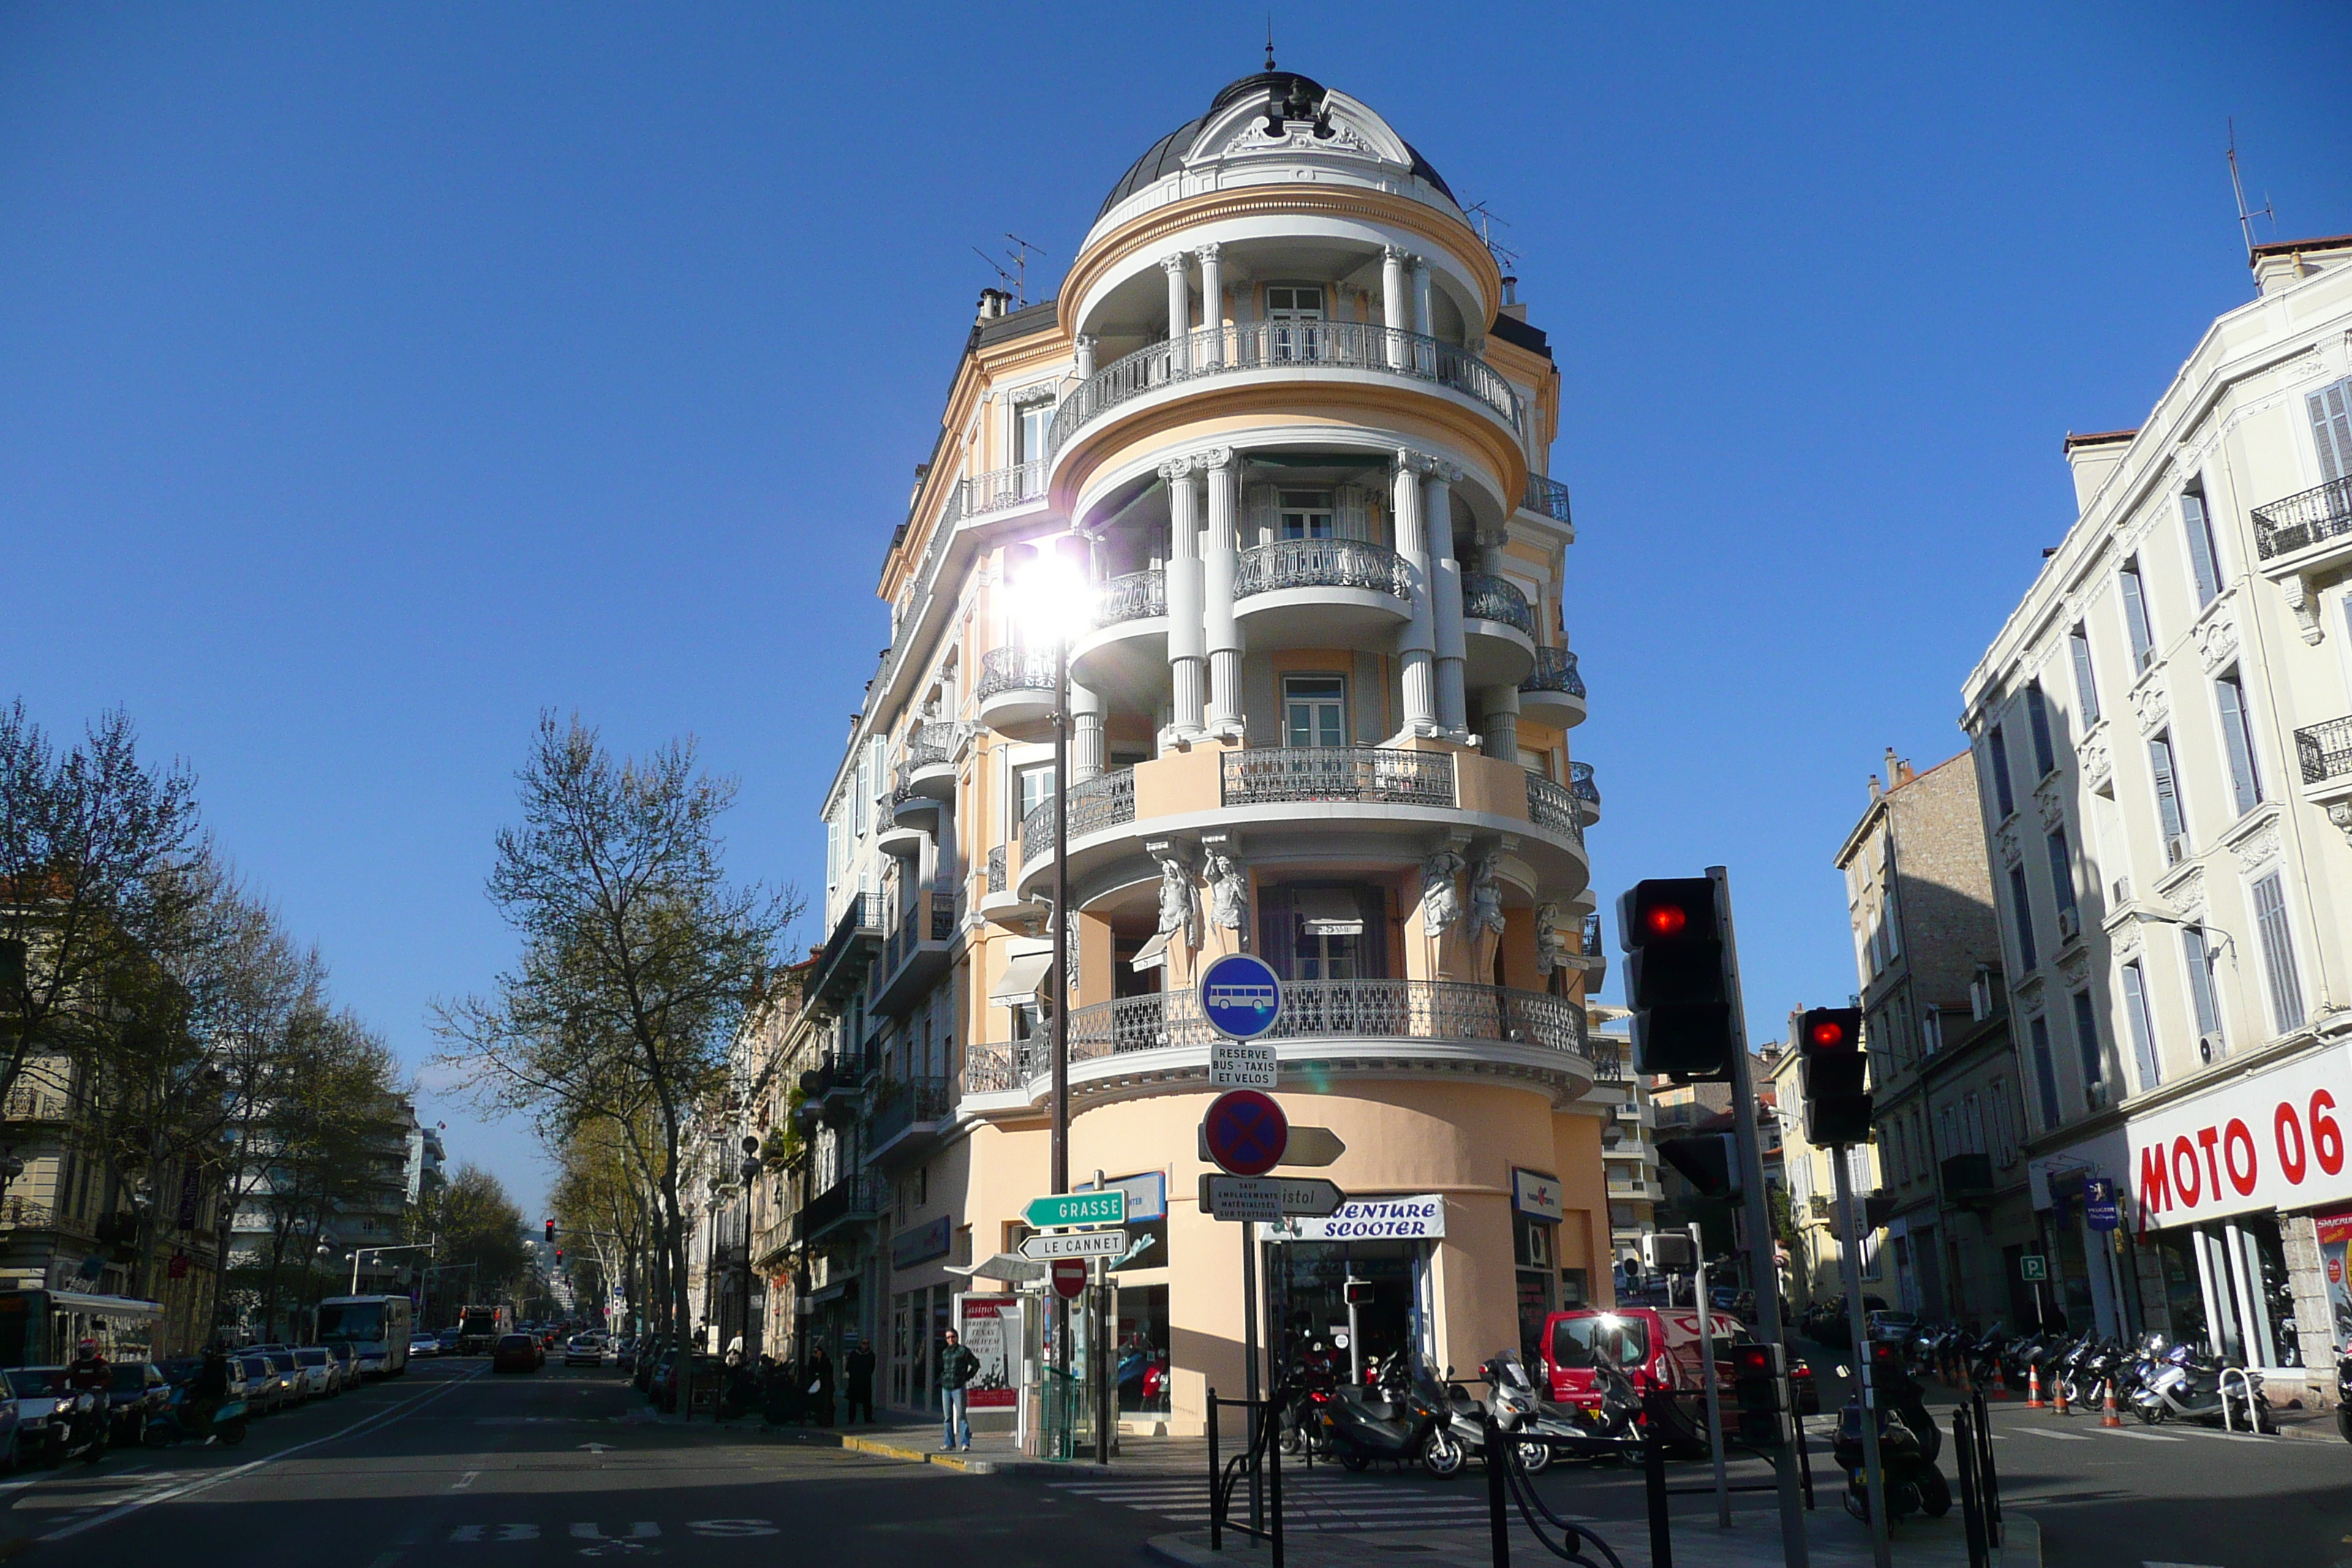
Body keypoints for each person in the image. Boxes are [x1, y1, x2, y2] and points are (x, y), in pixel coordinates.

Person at [938, 1327, 979, 1452]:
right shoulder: (945, 1353)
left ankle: (965, 1443)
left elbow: (975, 1364)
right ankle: (949, 1443)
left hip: (958, 1387)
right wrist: (942, 1378)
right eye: (948, 1338)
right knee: (947, 1417)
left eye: (953, 1337)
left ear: (957, 1337)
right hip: (946, 1387)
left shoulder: (963, 1351)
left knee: (961, 1415)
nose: (951, 1340)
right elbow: (943, 1368)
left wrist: (966, 1377)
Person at [843, 1335, 876, 1425]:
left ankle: (868, 1418)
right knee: (853, 1401)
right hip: (854, 1381)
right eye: (863, 1343)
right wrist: (852, 1374)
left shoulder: (871, 1355)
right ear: (860, 1344)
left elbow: (872, 1367)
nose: (865, 1345)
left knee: (867, 1401)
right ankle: (851, 1419)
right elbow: (849, 1366)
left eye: (867, 1343)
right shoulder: (854, 1354)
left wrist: (866, 1374)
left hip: (865, 1381)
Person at [807, 1343, 836, 1427]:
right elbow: (810, 1371)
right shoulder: (813, 1360)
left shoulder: (826, 1360)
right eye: (814, 1352)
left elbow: (829, 1372)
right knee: (818, 1403)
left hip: (826, 1385)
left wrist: (822, 1376)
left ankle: (828, 1420)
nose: (815, 1354)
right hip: (816, 1385)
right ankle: (820, 1419)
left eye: (817, 1352)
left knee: (828, 1403)